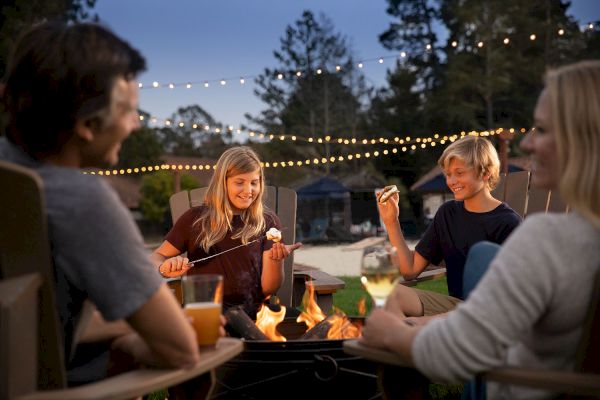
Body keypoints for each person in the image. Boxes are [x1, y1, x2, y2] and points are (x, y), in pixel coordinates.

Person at [360, 60, 600, 400]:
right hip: (497, 337)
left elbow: (472, 343)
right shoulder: (578, 238)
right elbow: (410, 270)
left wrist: (393, 332)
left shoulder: (540, 235)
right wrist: (391, 222)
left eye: (542, 130)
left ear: (583, 137)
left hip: (504, 369)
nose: (528, 143)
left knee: (390, 328)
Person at [0, 22, 201, 385]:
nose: (136, 125)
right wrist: (135, 342)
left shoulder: (9, 176)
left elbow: (41, 319)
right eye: (128, 111)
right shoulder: (81, 201)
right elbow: (180, 348)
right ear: (88, 126)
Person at [378, 136, 521, 322]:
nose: (451, 181)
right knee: (389, 293)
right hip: (455, 307)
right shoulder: (448, 213)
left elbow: (510, 299)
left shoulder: (507, 223)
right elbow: (410, 269)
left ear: (485, 173)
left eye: (459, 173)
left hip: (490, 313)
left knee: (412, 325)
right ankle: (403, 338)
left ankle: (406, 336)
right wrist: (391, 221)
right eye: (448, 174)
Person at [152, 146, 302, 318]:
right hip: (207, 312)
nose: (248, 190)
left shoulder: (267, 222)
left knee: (302, 323)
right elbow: (155, 258)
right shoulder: (194, 220)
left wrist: (276, 260)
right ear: (222, 183)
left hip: (254, 313)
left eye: (254, 182)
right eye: (239, 182)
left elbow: (269, 288)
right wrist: (164, 268)